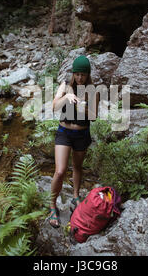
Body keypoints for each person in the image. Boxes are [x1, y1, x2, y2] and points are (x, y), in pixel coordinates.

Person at [48, 55, 99, 228]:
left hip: (82, 134)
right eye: (77, 74)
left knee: (77, 167)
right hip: (64, 133)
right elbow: (54, 106)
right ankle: (52, 205)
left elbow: (94, 116)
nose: (79, 78)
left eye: (83, 74)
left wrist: (81, 107)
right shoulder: (65, 86)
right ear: (73, 73)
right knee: (60, 170)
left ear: (88, 74)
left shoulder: (92, 90)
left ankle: (75, 196)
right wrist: (66, 98)